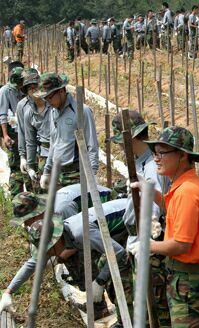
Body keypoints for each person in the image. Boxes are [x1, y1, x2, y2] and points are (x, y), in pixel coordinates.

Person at [129, 126, 199, 327]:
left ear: (183, 156)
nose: (156, 158)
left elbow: (180, 245)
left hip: (188, 282)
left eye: (162, 153)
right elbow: (172, 207)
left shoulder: (187, 192)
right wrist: (149, 190)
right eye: (154, 153)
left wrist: (148, 245)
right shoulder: (187, 187)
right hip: (188, 280)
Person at [0, 188, 114, 315]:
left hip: (107, 210)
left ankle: (99, 305)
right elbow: (34, 261)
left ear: (36, 214)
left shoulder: (61, 211)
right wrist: (9, 291)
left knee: (79, 258)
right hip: (92, 224)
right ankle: (95, 301)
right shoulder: (45, 222)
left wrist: (59, 256)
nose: (26, 225)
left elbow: (80, 238)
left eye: (27, 220)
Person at [110, 110, 172, 326]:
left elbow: (153, 207)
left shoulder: (152, 166)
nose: (118, 146)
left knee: (154, 305)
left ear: (133, 138)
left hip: (150, 240)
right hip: (138, 238)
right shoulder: (140, 162)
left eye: (120, 141)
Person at [35, 73, 99, 189]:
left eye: (50, 97)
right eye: (45, 98)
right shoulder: (53, 112)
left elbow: (92, 145)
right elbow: (54, 143)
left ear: (61, 91)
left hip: (76, 173)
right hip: (57, 173)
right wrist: (47, 171)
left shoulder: (81, 111)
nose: (48, 102)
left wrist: (92, 174)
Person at [17, 69, 43, 193]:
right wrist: (23, 157)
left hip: (47, 152)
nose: (33, 89)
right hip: (32, 151)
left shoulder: (49, 102)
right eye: (30, 87)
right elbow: (22, 132)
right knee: (35, 189)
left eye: (35, 86)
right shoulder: (22, 106)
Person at [0, 66, 25, 197]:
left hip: (25, 132)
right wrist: (5, 135)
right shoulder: (5, 91)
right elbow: (2, 115)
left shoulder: (23, 90)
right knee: (16, 167)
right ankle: (17, 198)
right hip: (12, 133)